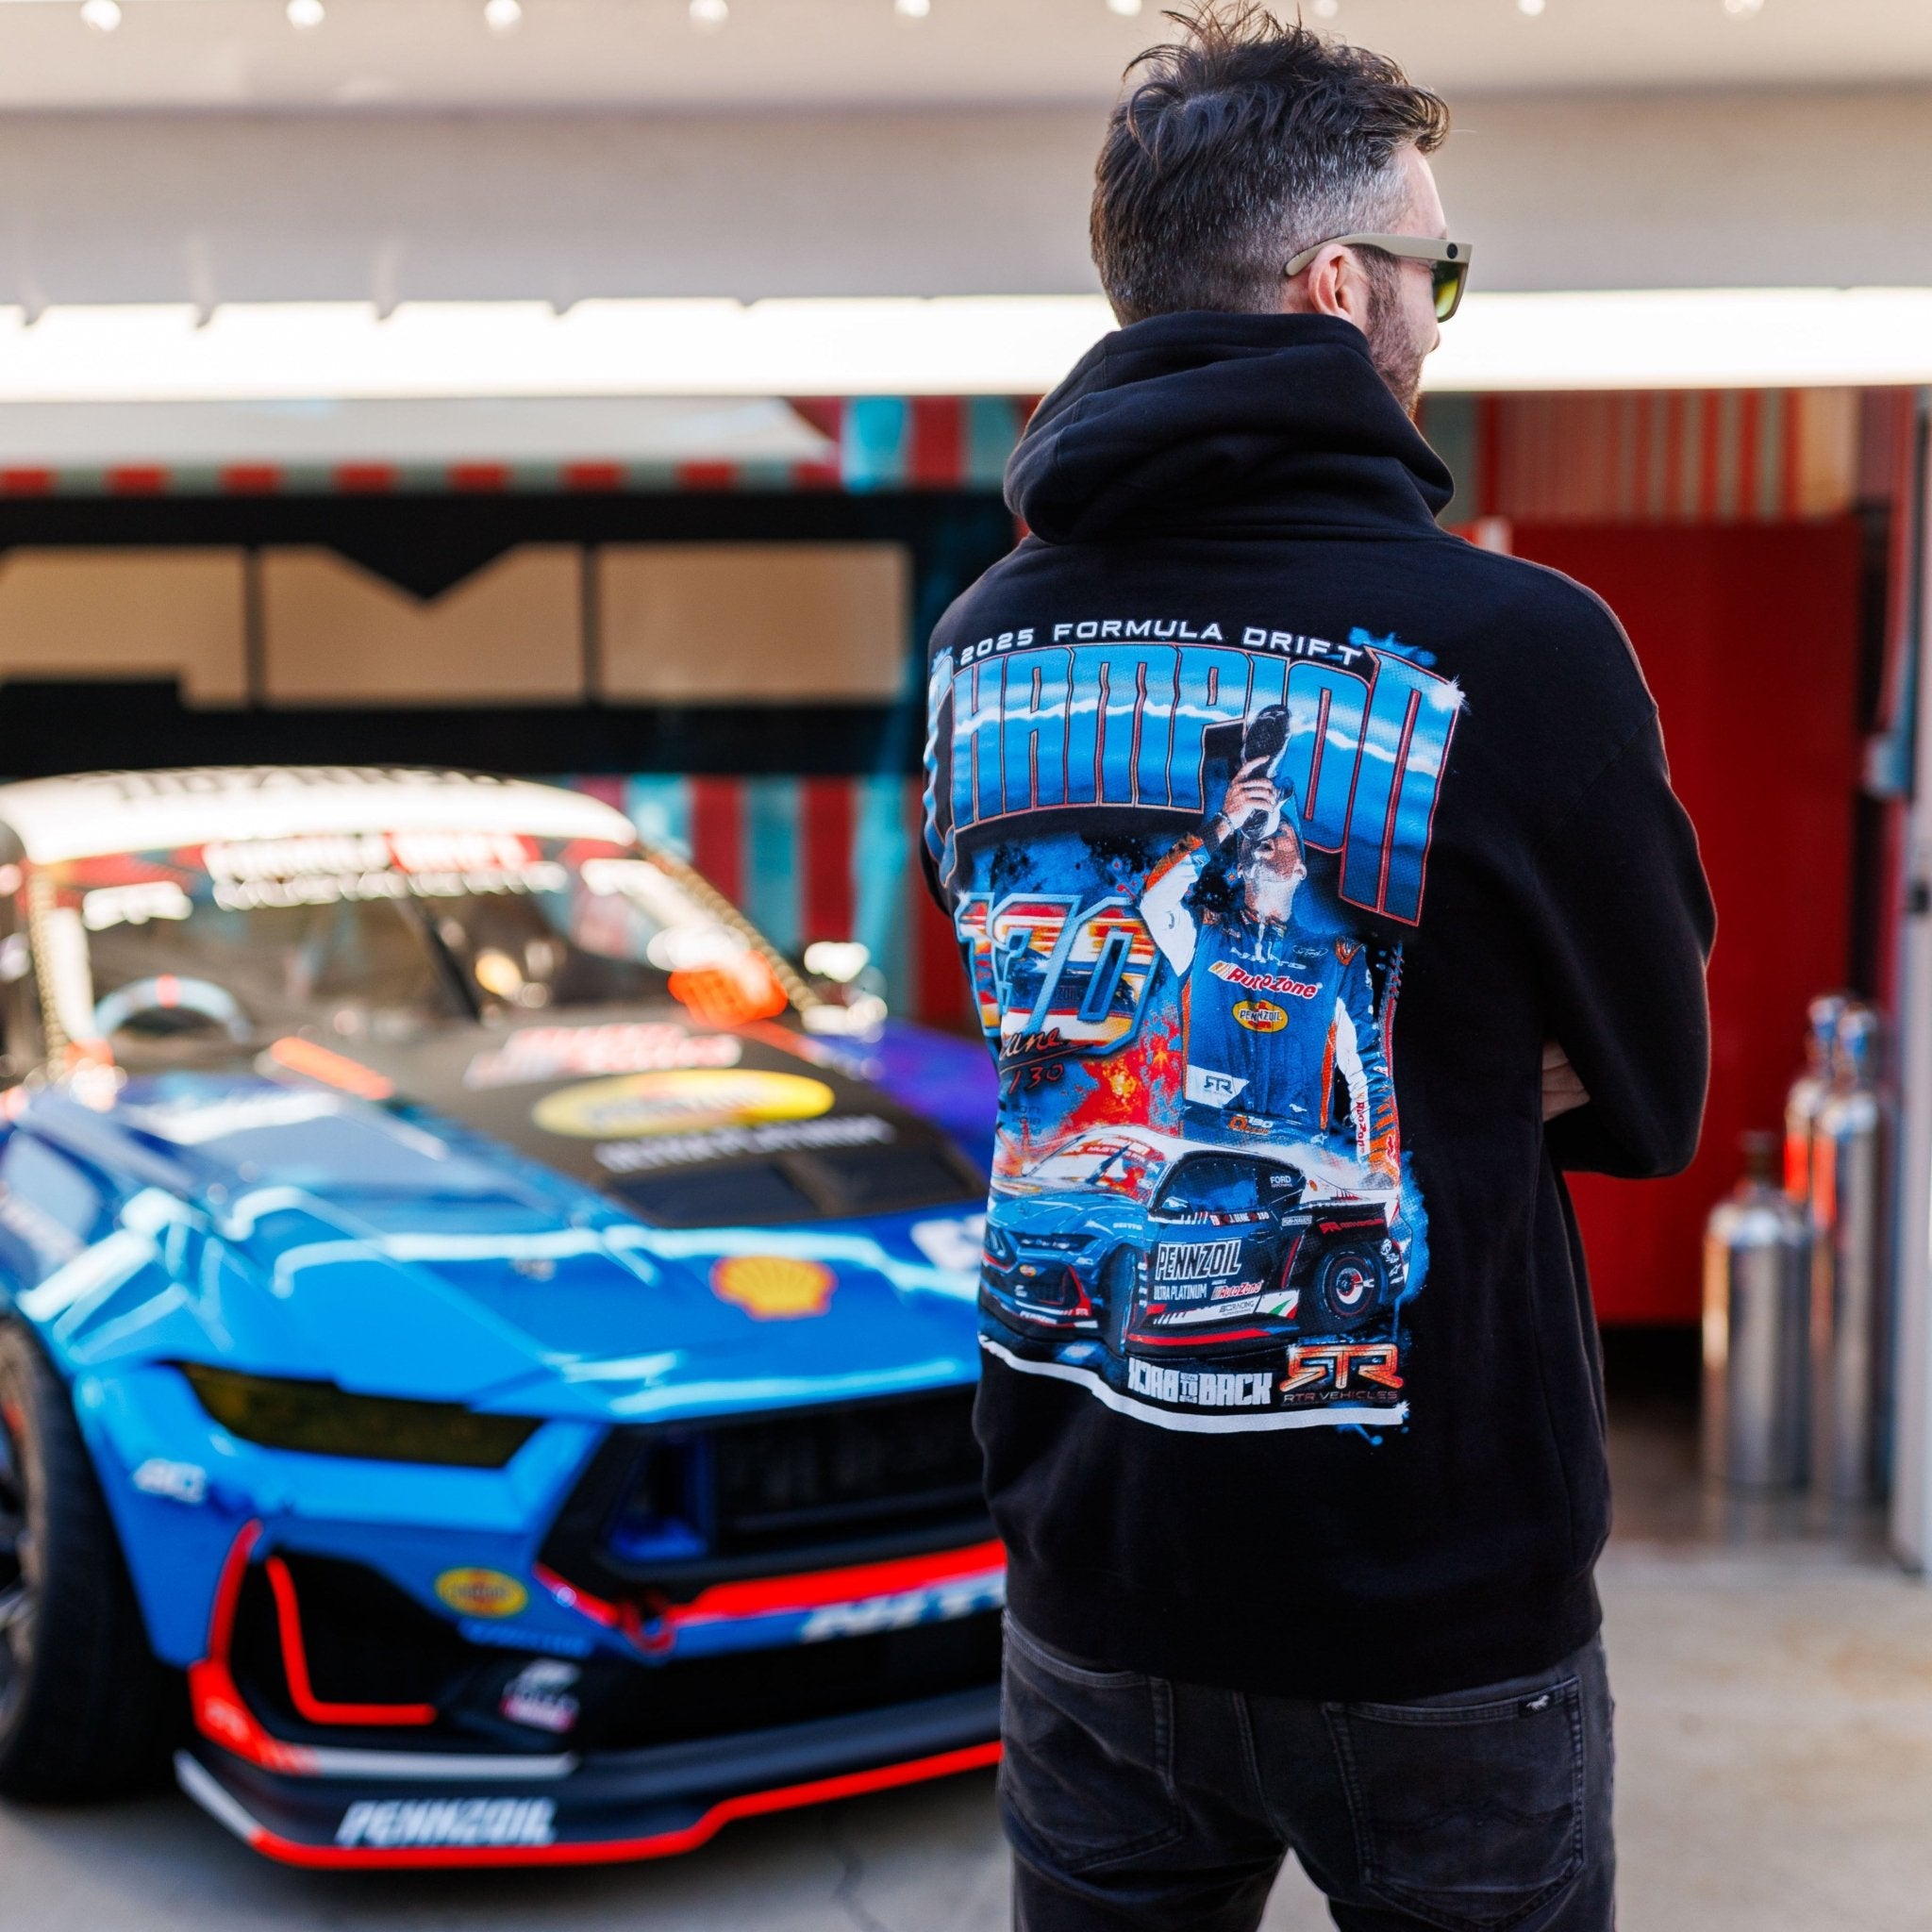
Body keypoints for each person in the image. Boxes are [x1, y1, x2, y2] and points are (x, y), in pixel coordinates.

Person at [919, 7, 1716, 1928]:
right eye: (1434, 273)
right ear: (1339, 285)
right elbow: (1653, 1086)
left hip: (1089, 1574)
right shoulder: (1520, 648)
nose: (1439, 321)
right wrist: (1455, 1050)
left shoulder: (981, 643)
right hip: (1431, 1613)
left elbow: (1031, 1020)